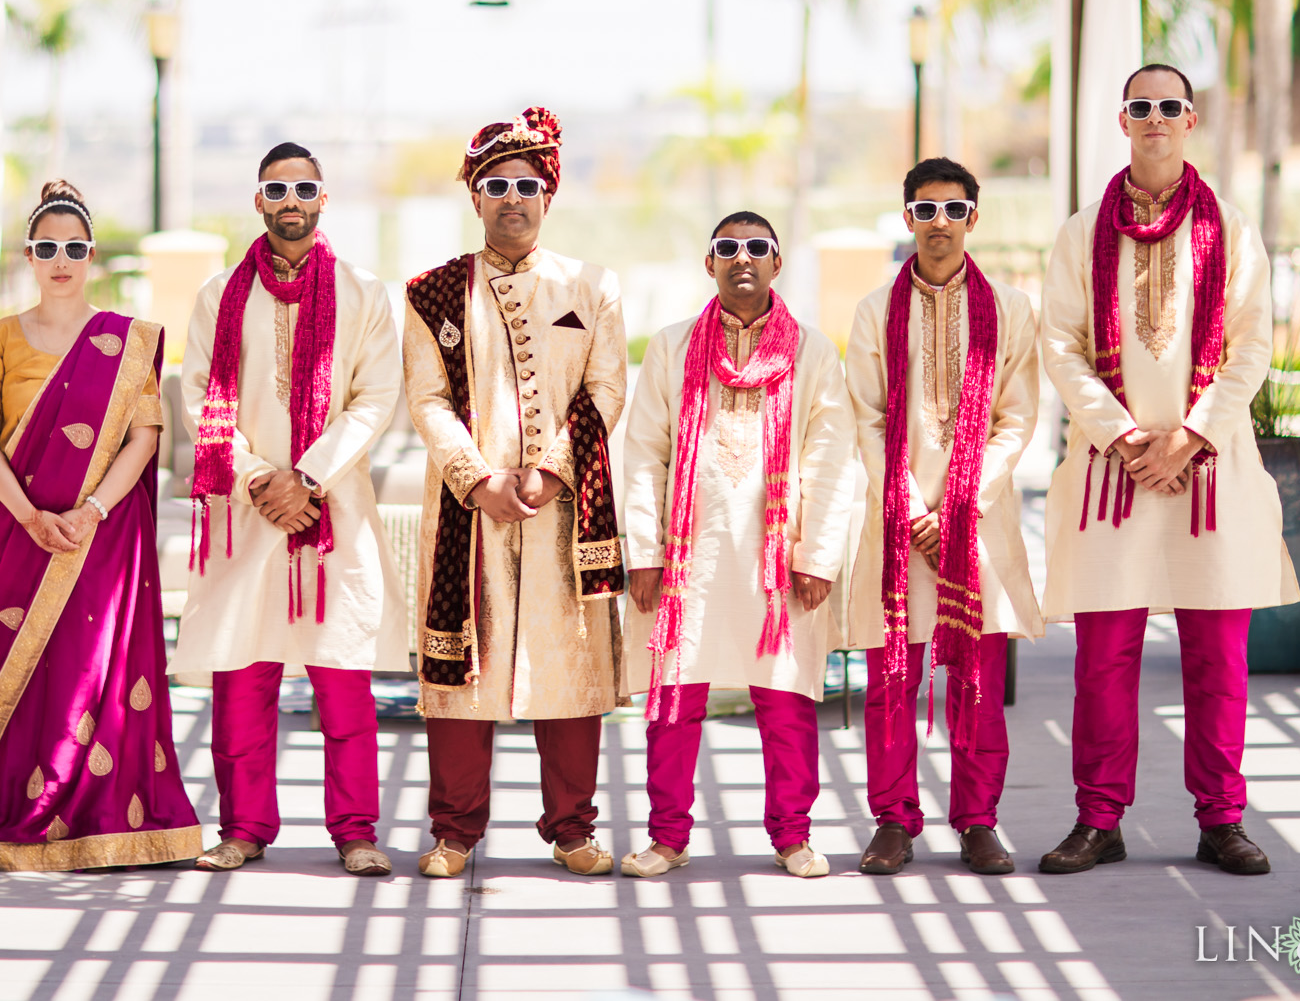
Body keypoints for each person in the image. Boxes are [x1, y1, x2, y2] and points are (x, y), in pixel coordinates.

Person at [1038, 64, 1298, 876]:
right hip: (1114, 474)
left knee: (1217, 658)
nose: (1155, 118)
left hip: (1207, 470)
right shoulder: (1083, 231)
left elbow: (1251, 343)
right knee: (1103, 657)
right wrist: (1121, 436)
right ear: (1123, 121)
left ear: (1191, 120)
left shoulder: (1232, 226)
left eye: (1169, 107)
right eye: (1140, 107)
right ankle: (1099, 818)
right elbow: (1059, 344)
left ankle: (1221, 818)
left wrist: (1189, 435)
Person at [0, 182, 202, 870]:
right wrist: (30, 517)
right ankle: (26, 809)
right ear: (29, 256)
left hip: (101, 538)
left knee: (95, 671)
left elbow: (145, 438)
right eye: (47, 247)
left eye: (75, 248)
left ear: (91, 256)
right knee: (27, 676)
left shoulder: (127, 341)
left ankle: (104, 816)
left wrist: (90, 512)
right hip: (17, 536)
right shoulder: (0, 336)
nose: (61, 259)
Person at [403, 107, 628, 878]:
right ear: (474, 197)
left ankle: (572, 829)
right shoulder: (431, 292)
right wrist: (478, 479)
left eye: (526, 185)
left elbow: (606, 387)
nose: (511, 198)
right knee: (464, 668)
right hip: (474, 514)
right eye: (495, 185)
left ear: (548, 194)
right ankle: (454, 831)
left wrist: (553, 467)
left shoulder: (592, 286)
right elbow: (427, 398)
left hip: (563, 511)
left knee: (567, 667)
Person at [173, 142, 405, 877]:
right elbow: (199, 400)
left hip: (331, 510)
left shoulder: (365, 293)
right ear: (259, 200)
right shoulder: (218, 295)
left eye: (305, 187)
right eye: (278, 189)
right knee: (243, 674)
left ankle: (356, 830)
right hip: (249, 515)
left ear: (323, 198)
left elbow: (376, 398)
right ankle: (243, 827)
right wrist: (258, 482)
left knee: (343, 679)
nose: (292, 200)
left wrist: (306, 476)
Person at [618, 211, 858, 881]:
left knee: (784, 699)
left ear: (777, 263)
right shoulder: (669, 347)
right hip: (688, 557)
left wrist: (817, 556)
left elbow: (831, 458)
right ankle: (667, 837)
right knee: (674, 698)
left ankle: (793, 834)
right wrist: (644, 548)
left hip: (777, 558)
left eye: (758, 247)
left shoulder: (812, 352)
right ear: (709, 264)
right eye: (728, 247)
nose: (742, 256)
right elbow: (644, 452)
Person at [843, 158, 1043, 876]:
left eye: (952, 210)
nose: (939, 223)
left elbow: (1017, 422)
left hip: (977, 526)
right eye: (925, 210)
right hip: (896, 528)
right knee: (892, 678)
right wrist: (907, 502)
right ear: (907, 219)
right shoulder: (873, 311)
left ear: (972, 219)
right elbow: (863, 417)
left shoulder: (1012, 310)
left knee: (978, 682)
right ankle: (894, 818)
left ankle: (979, 819)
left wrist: (959, 505)